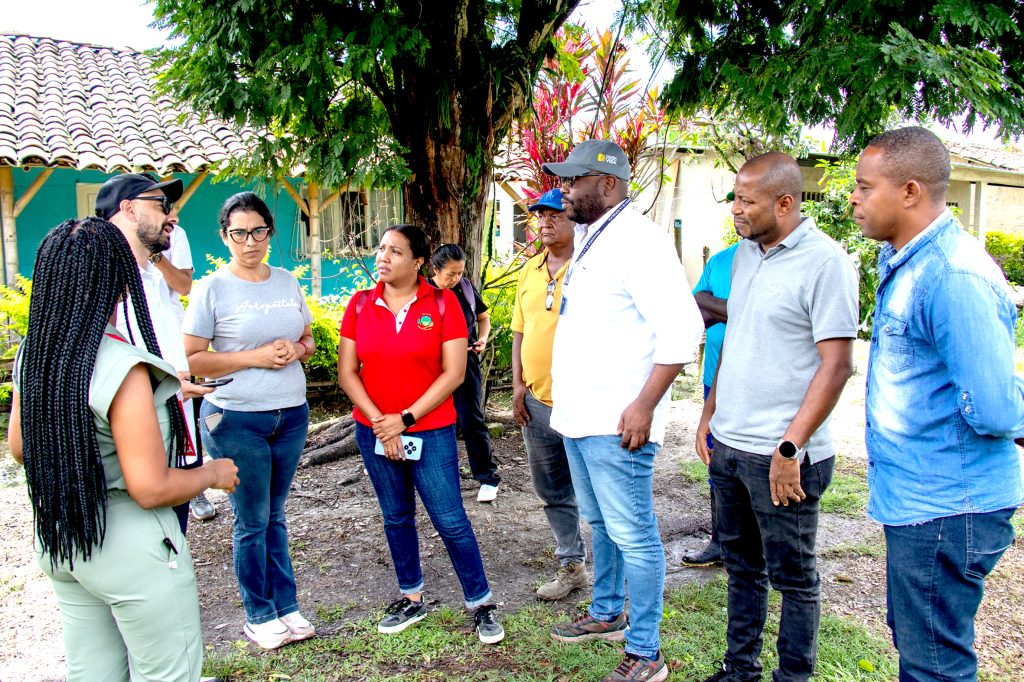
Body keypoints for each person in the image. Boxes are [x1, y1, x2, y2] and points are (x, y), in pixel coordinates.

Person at [7, 217, 239, 681]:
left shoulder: (35, 351)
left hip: (65, 536)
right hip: (129, 546)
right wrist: (212, 474)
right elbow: (150, 488)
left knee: (92, 673)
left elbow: (19, 447)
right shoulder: (123, 365)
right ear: (119, 282)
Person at [851, 126, 1024, 681]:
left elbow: (995, 408)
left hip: (949, 506)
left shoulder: (952, 275)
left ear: (910, 192)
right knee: (922, 647)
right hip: (925, 502)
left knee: (934, 665)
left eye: (864, 186)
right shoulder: (910, 262)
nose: (853, 198)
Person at [542, 140, 703, 682]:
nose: (565, 189)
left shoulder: (639, 241)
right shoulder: (593, 236)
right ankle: (608, 611)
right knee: (601, 523)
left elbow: (683, 331)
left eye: (574, 180)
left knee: (634, 533)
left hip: (617, 423)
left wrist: (643, 405)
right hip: (579, 418)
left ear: (607, 183)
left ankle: (646, 653)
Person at [695, 152, 858, 682]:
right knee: (743, 569)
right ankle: (739, 670)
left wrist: (791, 447)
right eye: (735, 199)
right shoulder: (744, 255)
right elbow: (737, 340)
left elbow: (837, 366)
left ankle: (793, 677)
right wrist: (709, 414)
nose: (736, 210)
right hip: (729, 446)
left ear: (785, 203)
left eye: (747, 201)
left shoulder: (826, 263)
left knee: (795, 579)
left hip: (782, 456)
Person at [338, 224, 505, 645]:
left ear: (418, 262)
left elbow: (454, 373)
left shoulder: (444, 303)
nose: (383, 257)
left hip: (430, 431)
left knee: (450, 519)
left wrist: (405, 419)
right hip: (374, 431)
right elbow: (347, 372)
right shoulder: (360, 304)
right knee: (396, 516)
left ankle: (481, 602)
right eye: (381, 249)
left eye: (395, 251)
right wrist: (381, 421)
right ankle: (411, 597)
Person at [183, 192, 316, 650]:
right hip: (236, 418)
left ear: (269, 232)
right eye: (238, 233)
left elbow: (308, 339)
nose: (250, 241)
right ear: (225, 237)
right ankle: (259, 614)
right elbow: (193, 358)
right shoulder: (212, 289)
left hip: (290, 414)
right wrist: (254, 357)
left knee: (275, 514)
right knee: (252, 518)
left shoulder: (286, 281)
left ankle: (287, 606)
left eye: (258, 231)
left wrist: (295, 349)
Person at [95, 172, 213, 534]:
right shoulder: (99, 280)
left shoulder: (152, 275)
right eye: (161, 205)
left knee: (174, 528)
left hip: (173, 410)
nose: (172, 215)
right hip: (127, 451)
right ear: (129, 210)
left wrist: (176, 386)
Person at [512, 188, 588, 600]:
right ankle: (572, 565)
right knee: (553, 491)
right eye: (540, 216)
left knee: (596, 493)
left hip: (584, 404)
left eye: (555, 215)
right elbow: (519, 331)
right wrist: (518, 385)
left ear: (575, 220)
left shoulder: (590, 267)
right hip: (538, 403)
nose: (545, 222)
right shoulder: (530, 269)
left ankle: (615, 575)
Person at [428, 243, 502, 502]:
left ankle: (487, 478)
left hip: (465, 361)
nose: (456, 279)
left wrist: (483, 338)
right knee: (432, 420)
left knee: (471, 419)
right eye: (451, 274)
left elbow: (483, 318)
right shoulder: (423, 292)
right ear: (435, 270)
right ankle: (435, 476)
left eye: (460, 273)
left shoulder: (466, 288)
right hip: (432, 365)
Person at [681, 240, 739, 567]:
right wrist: (729, 309)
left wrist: (715, 304)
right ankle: (720, 542)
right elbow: (695, 307)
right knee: (716, 459)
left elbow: (753, 314)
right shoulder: (720, 260)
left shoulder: (774, 259)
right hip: (713, 379)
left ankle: (751, 546)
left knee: (750, 463)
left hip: (753, 383)